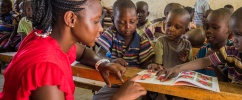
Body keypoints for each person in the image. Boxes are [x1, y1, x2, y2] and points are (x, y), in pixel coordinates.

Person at [0, 0, 146, 99]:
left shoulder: (45, 38)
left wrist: (101, 63)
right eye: (96, 21)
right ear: (71, 19)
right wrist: (118, 98)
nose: (101, 28)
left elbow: (82, 52)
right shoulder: (46, 70)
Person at [156, 2, 242, 92]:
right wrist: (178, 68)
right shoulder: (232, 50)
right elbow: (206, 61)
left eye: (239, 34)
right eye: (233, 34)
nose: (234, 39)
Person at [95, 0, 154, 69]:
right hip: (113, 75)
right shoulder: (110, 34)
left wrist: (151, 66)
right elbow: (99, 54)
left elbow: (145, 64)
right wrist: (111, 61)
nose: (128, 26)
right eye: (122, 23)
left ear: (137, 20)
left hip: (133, 76)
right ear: (113, 20)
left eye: (132, 22)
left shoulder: (142, 40)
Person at [195, 8, 232, 76]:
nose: (208, 30)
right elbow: (196, 74)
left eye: (215, 27)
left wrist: (213, 63)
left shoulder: (233, 53)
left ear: (229, 29)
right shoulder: (203, 50)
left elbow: (227, 82)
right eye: (206, 27)